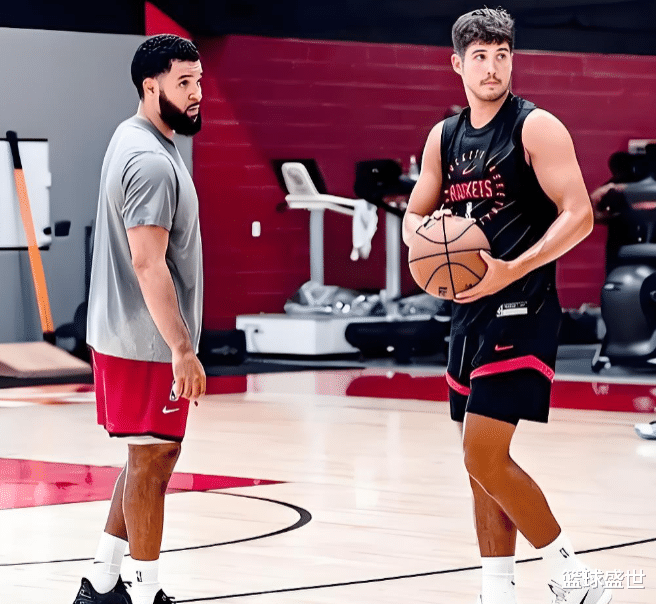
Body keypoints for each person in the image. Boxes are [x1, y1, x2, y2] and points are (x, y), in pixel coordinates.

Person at [402, 8, 611, 604]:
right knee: (479, 467)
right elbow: (415, 215)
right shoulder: (444, 137)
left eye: (502, 55)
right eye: (480, 57)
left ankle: (576, 581)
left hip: (524, 306)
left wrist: (513, 268)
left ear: (512, 60)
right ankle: (497, 592)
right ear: (457, 64)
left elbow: (579, 214)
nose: (492, 68)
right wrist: (427, 242)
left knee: (483, 454)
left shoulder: (536, 127)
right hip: (467, 314)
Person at [73, 34, 206, 604]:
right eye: (184, 83)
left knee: (149, 454)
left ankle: (102, 581)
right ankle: (145, 593)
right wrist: (182, 348)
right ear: (151, 87)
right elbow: (148, 263)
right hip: (144, 341)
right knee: (152, 462)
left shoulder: (136, 136)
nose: (197, 94)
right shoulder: (150, 160)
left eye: (199, 82)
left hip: (132, 336)